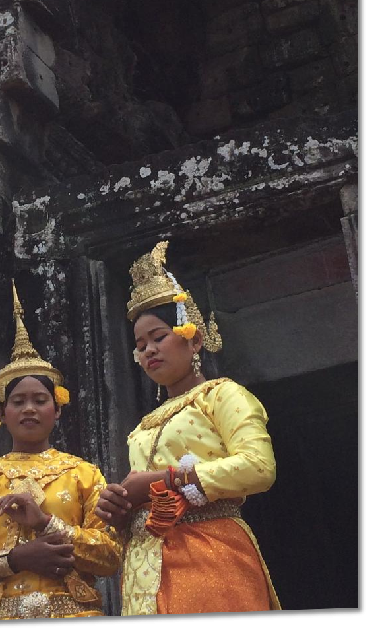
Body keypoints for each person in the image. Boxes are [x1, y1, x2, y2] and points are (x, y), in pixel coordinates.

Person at [95, 241, 281, 615]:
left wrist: (164, 478)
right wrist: (120, 511)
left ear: (194, 338)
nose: (148, 350)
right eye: (140, 344)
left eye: (159, 336)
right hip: (145, 566)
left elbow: (259, 468)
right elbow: (142, 498)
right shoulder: (142, 427)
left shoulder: (222, 395)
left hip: (210, 551)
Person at [0, 283, 122, 619]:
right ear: (2, 413)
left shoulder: (84, 474)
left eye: (40, 400)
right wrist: (14, 561)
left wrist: (48, 524)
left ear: (57, 408)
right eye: (18, 402)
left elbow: (110, 556)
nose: (29, 410)